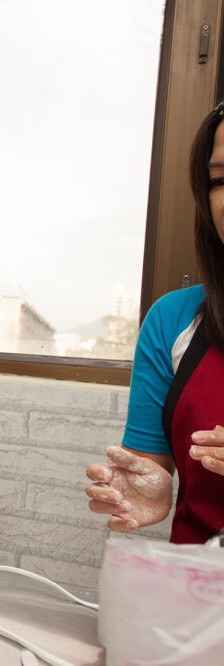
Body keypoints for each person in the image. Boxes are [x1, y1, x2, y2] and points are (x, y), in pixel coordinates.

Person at [85, 100, 224, 544]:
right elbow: (150, 468)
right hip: (198, 593)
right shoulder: (173, 321)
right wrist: (143, 492)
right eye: (220, 180)